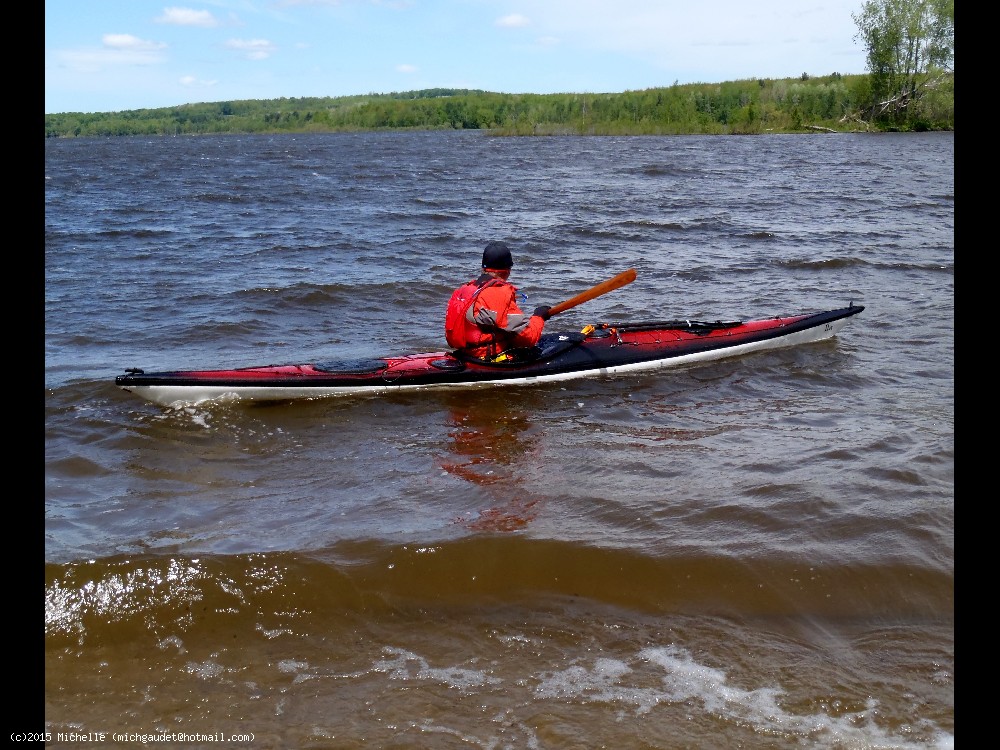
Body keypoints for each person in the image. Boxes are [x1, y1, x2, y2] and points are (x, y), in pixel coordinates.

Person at [445, 240, 551, 361]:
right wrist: (539, 317)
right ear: (508, 270)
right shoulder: (498, 293)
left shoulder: (465, 289)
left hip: (464, 353)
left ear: (484, 268)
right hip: (485, 358)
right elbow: (528, 337)